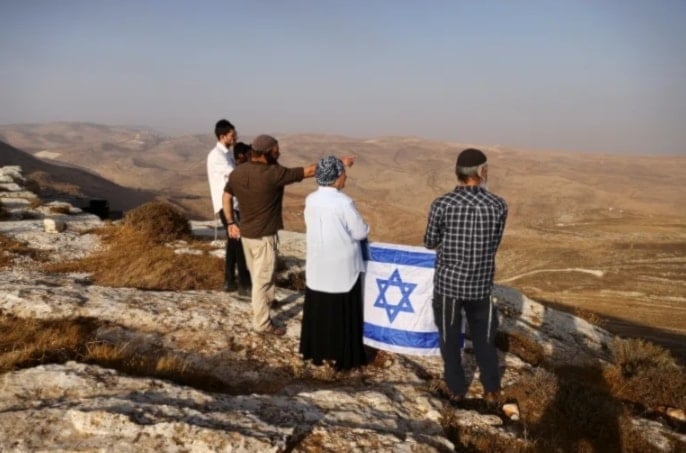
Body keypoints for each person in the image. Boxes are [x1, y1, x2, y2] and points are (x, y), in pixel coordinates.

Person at [222, 134, 354, 336]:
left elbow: (226, 196)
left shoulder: (238, 172)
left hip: (246, 235)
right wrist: (339, 163)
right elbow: (311, 170)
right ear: (266, 154)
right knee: (262, 280)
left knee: (261, 276)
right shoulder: (274, 174)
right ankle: (262, 323)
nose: (279, 152)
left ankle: (265, 305)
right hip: (264, 237)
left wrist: (231, 222)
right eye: (276, 150)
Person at [423, 148, 508, 404]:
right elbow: (494, 243)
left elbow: (429, 241)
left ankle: (457, 389)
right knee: (484, 338)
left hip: (448, 285)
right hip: (481, 285)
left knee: (449, 337)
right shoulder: (498, 205)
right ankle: (492, 388)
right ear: (481, 172)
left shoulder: (441, 204)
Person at [299, 156, 369, 370]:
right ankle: (344, 357)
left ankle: (317, 353)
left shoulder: (311, 199)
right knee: (342, 311)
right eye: (343, 173)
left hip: (318, 261)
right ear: (336, 178)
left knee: (320, 308)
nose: (345, 176)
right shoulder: (343, 202)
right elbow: (360, 231)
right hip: (342, 265)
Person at [206, 119, 251, 295]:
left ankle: (229, 281)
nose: (235, 137)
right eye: (232, 134)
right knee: (239, 242)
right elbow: (235, 175)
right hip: (226, 206)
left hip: (234, 204)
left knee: (233, 243)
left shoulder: (227, 154)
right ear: (222, 136)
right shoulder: (216, 156)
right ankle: (244, 284)